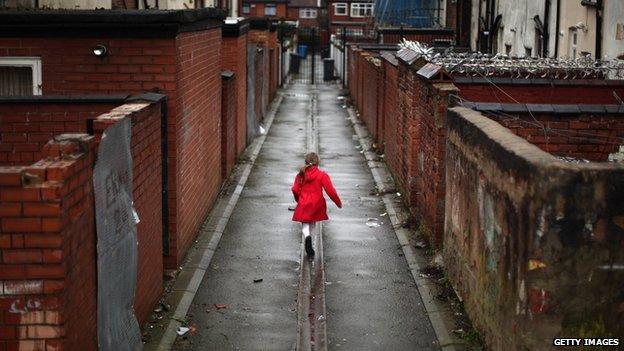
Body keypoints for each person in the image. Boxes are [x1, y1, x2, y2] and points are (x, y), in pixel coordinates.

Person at [291, 152, 342, 258]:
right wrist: (338, 203)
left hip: (304, 203)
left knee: (305, 223)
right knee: (313, 224)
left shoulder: (300, 175)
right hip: (316, 204)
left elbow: (295, 189)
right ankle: (311, 245)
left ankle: (307, 236)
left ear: (305, 162)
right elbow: (330, 191)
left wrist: (298, 200)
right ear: (317, 163)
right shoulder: (322, 175)